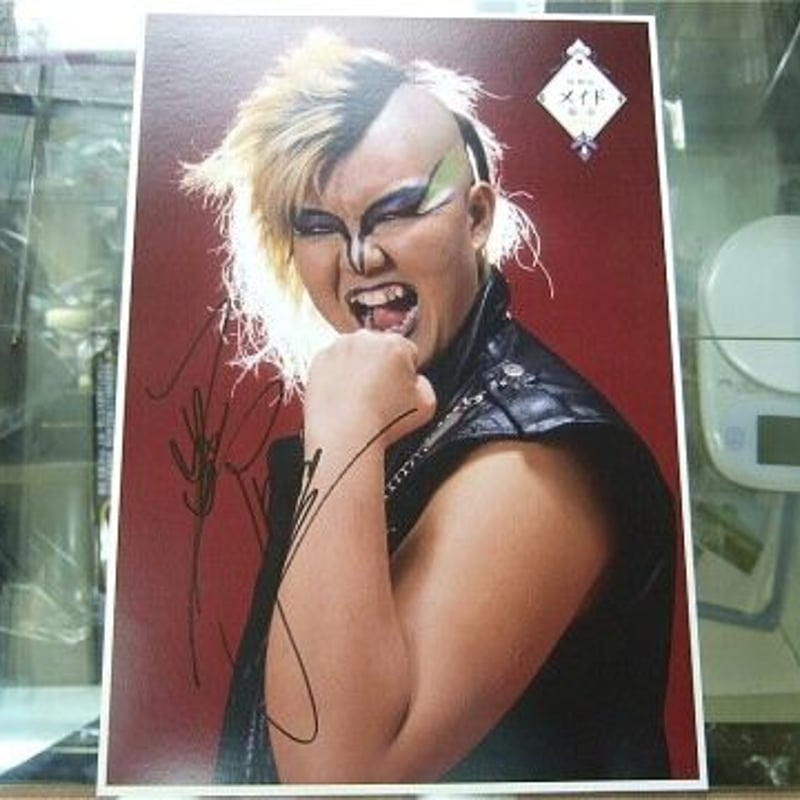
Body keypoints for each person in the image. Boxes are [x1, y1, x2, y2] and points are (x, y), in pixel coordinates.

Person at [184, 30, 676, 785]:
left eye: (399, 211)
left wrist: (343, 434)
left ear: (475, 217)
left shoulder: (533, 460)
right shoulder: (410, 413)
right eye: (317, 226)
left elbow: (335, 778)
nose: (360, 257)